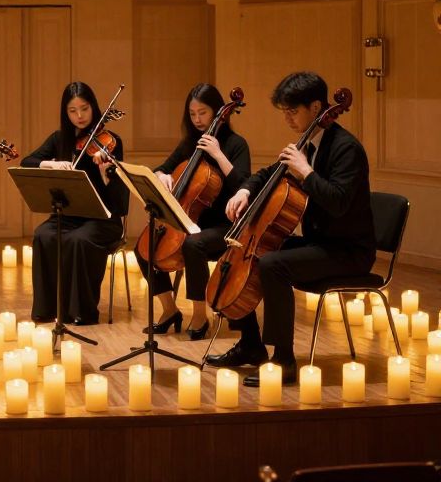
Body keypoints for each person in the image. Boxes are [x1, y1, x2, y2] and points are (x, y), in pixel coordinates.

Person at [207, 72, 374, 386]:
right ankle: (251, 344)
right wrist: (244, 190)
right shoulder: (306, 144)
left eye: (292, 111)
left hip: (348, 251)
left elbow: (338, 202)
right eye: (283, 111)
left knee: (273, 265)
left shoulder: (345, 149)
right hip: (320, 242)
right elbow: (268, 173)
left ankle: (283, 359)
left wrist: (306, 172)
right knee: (248, 252)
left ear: (315, 107)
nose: (287, 118)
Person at [134, 83, 251, 340]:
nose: (197, 120)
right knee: (143, 247)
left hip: (223, 225)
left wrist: (219, 155)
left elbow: (243, 184)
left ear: (219, 111)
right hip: (189, 220)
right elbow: (162, 167)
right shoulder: (190, 143)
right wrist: (161, 175)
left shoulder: (235, 144)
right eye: (193, 114)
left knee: (193, 245)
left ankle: (200, 314)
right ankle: (169, 310)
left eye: (203, 113)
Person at [22, 81, 130, 325]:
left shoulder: (111, 141)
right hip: (69, 215)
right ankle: (48, 308)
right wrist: (51, 163)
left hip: (103, 218)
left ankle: (81, 311)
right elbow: (28, 161)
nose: (80, 116)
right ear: (65, 112)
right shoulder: (60, 138)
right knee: (43, 234)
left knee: (77, 240)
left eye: (84, 108)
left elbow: (118, 193)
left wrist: (105, 173)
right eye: (72, 111)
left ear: (93, 107)